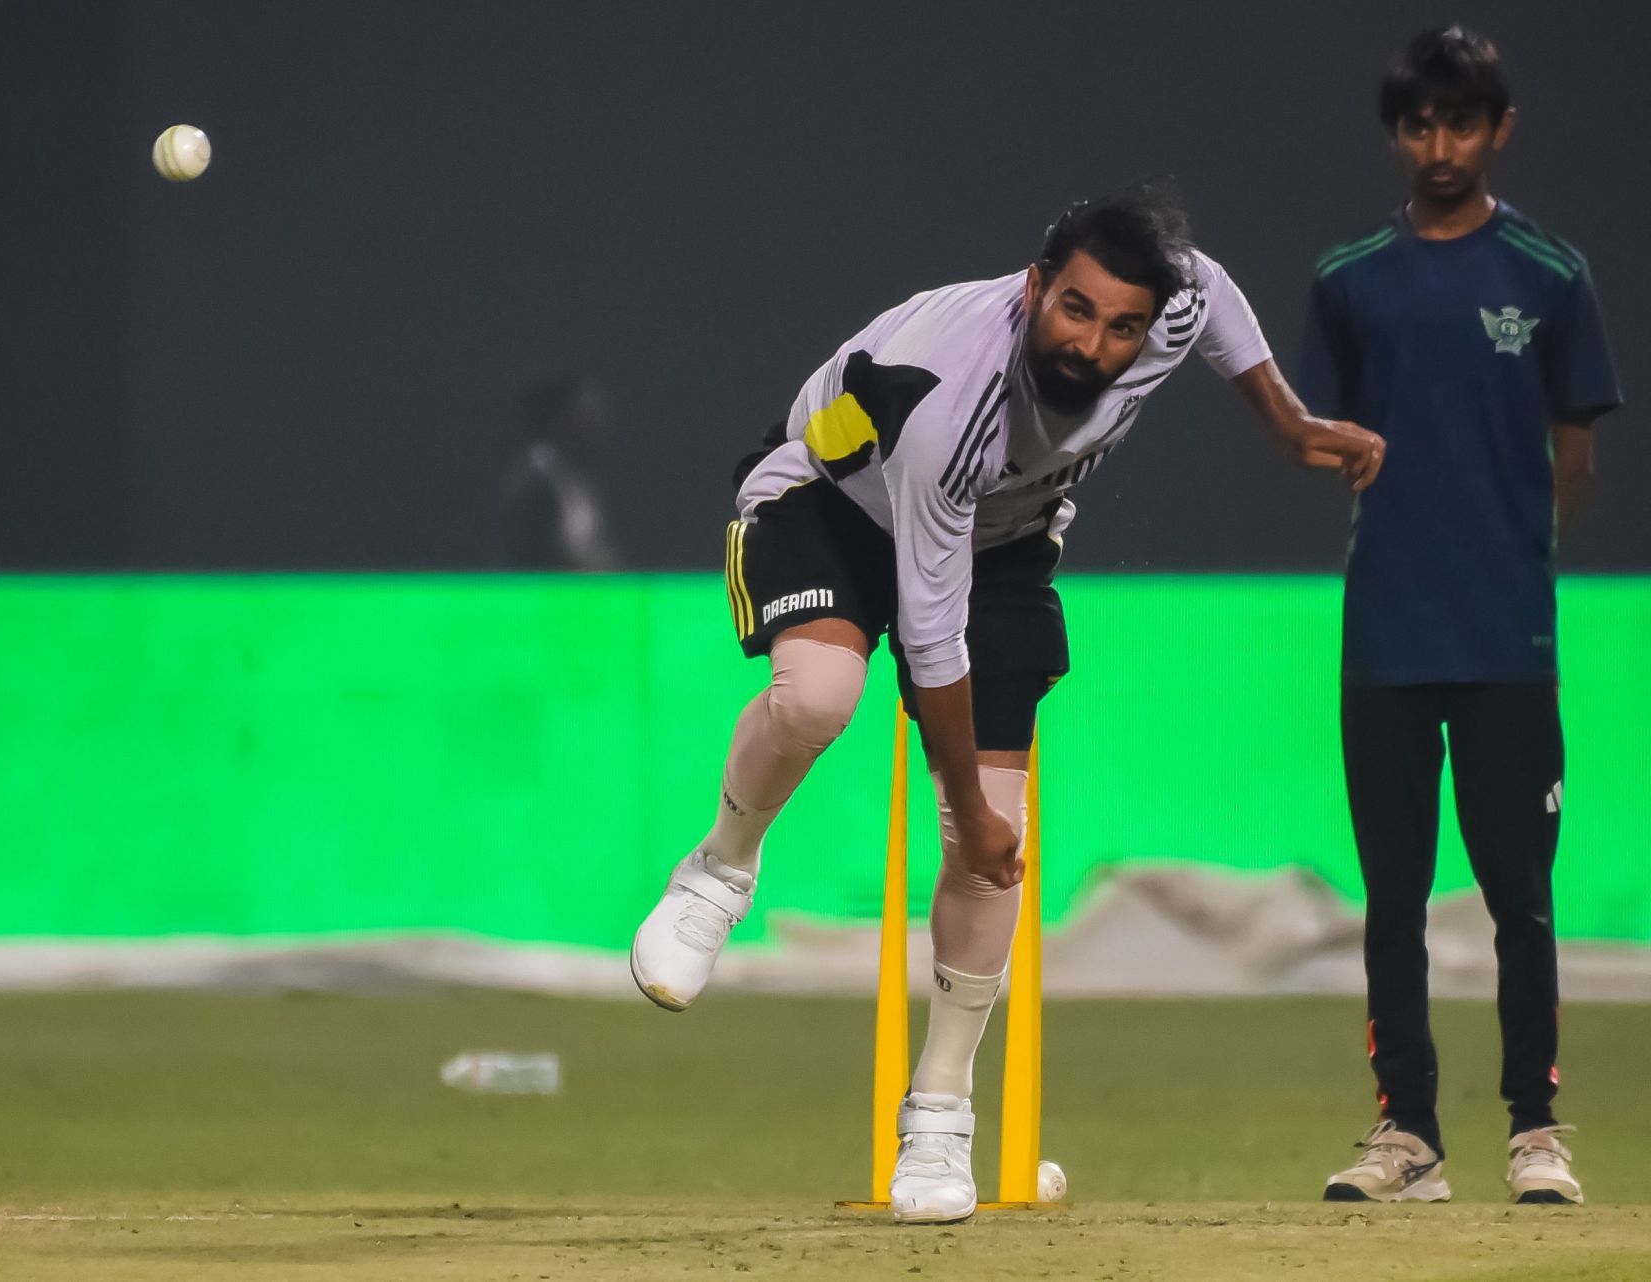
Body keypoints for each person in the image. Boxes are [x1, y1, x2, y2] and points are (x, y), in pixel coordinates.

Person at [630, 184, 1384, 1224]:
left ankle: (939, 1108)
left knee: (996, 834)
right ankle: (718, 869)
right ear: (1034, 289)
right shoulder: (955, 398)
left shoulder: (1164, 303)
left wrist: (1286, 419)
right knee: (821, 697)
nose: (1094, 345)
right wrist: (968, 808)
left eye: (1121, 326)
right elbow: (930, 636)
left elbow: (1207, 292)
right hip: (828, 501)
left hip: (1002, 538)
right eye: (1074, 310)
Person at [1299, 27, 1622, 1206]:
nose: (1441, 146)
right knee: (1391, 894)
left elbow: (1573, 456)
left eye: (1463, 123)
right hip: (1384, 635)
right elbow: (1319, 438)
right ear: (1398, 132)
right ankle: (1409, 1137)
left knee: (1518, 898)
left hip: (1505, 642)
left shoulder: (1549, 273)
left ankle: (1536, 1132)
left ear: (1500, 130)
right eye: (1420, 124)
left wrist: (1510, 564)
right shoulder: (1349, 280)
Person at [493, 374, 621, 571]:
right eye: (586, 415)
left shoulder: (583, 484)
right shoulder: (529, 488)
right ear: (561, 420)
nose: (597, 424)